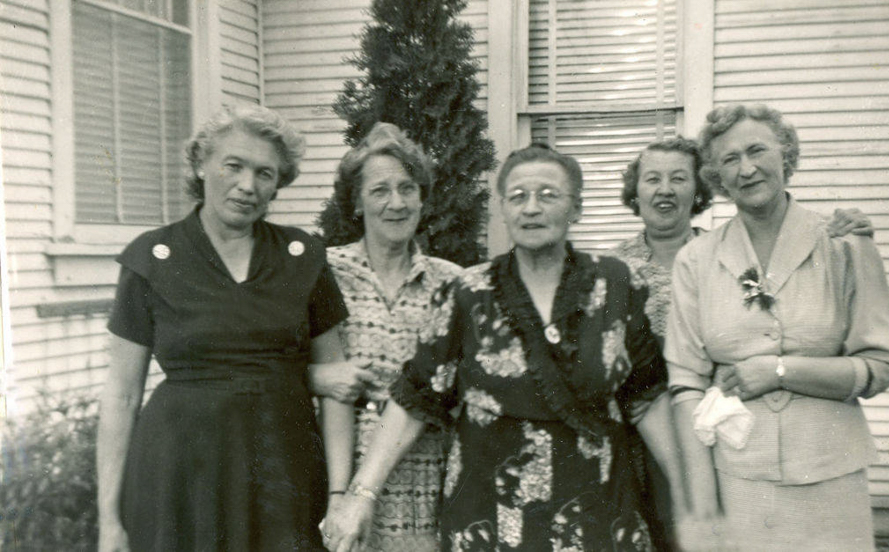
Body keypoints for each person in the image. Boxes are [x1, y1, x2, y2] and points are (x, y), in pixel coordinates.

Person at [321, 143, 682, 552]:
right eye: (518, 196)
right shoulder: (467, 293)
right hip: (489, 519)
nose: (531, 208)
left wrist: (692, 503)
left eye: (548, 195)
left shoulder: (617, 284)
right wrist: (360, 496)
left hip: (598, 514)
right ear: (504, 210)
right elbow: (414, 398)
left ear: (576, 209)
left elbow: (648, 399)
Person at [97, 104, 357, 551]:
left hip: (284, 472)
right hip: (180, 475)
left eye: (265, 174)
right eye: (233, 166)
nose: (247, 186)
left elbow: (337, 386)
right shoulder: (151, 257)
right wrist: (109, 522)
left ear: (278, 184)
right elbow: (121, 395)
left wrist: (338, 496)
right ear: (201, 165)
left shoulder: (304, 256)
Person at [610, 136, 871, 550]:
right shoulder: (609, 270)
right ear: (634, 191)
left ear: (699, 190)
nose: (665, 189)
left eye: (679, 178)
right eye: (652, 179)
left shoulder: (727, 255)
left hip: (720, 431)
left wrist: (843, 230)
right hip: (642, 434)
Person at [665, 104, 889, 551]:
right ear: (715, 174)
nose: (747, 168)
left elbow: (878, 368)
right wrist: (701, 501)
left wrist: (778, 371)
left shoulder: (844, 244)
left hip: (830, 477)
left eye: (757, 150)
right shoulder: (696, 260)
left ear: (785, 154)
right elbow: (686, 381)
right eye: (729, 159)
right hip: (735, 479)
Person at [323, 122, 462, 551]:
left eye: (408, 188)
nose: (396, 203)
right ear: (357, 203)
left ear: (422, 198)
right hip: (338, 471)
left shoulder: (452, 283)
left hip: (427, 477)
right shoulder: (324, 272)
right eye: (380, 190)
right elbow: (288, 365)